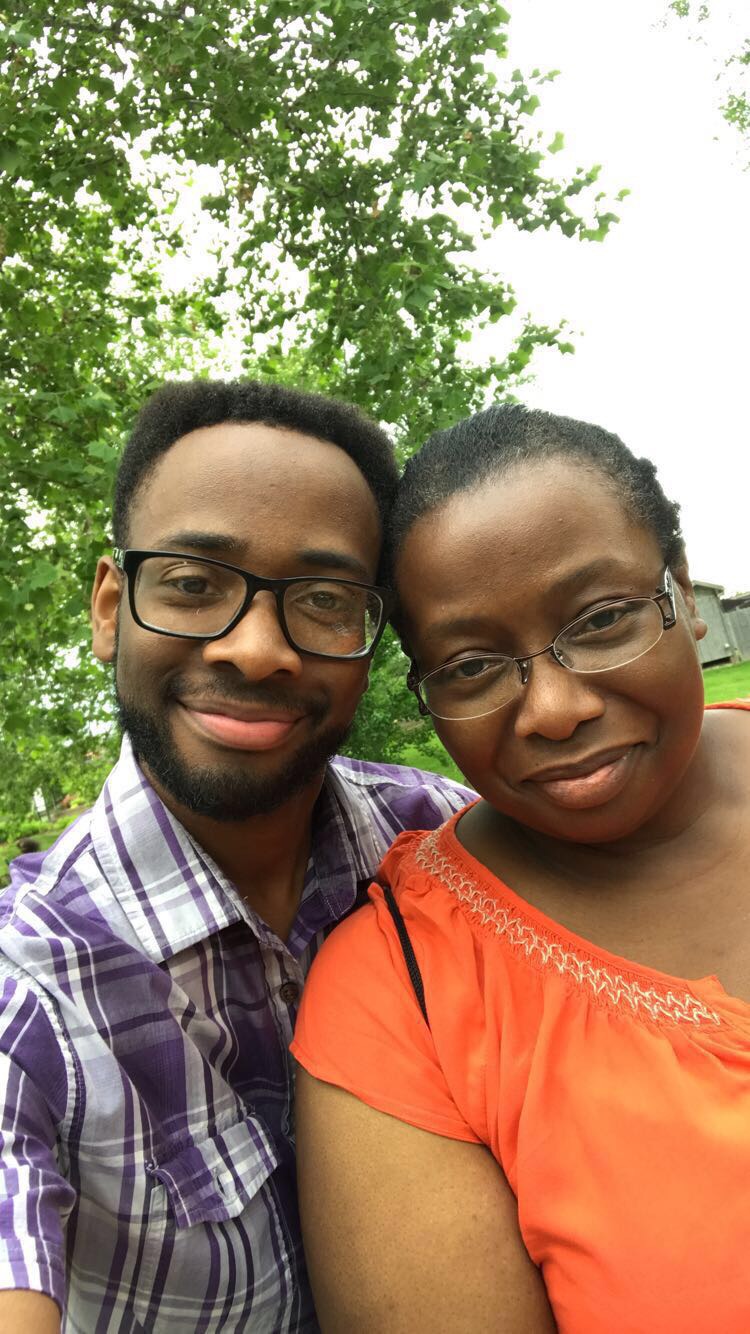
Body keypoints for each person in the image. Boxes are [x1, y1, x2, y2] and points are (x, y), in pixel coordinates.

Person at [0, 380, 472, 1333]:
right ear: (109, 608)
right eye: (192, 585)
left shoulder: (447, 839)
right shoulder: (31, 987)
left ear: (371, 637)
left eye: (325, 600)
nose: (256, 651)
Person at [292, 404, 750, 1333]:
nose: (553, 709)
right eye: (470, 667)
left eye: (603, 619)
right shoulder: (400, 1000)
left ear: (681, 588)